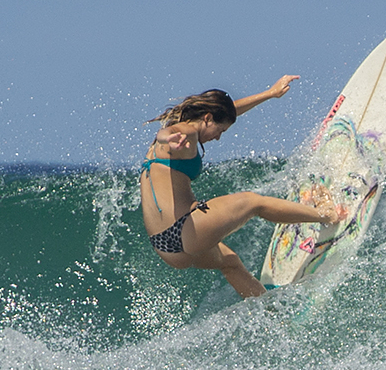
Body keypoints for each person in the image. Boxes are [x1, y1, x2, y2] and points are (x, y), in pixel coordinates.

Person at [140, 75, 340, 298]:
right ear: (207, 118)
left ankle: (270, 315)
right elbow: (165, 134)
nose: (217, 138)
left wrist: (269, 94)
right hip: (185, 229)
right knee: (253, 202)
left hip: (166, 246)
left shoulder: (185, 128)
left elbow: (226, 112)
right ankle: (326, 215)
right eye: (220, 131)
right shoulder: (183, 134)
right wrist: (169, 139)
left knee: (231, 263)